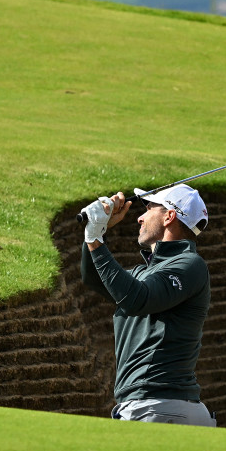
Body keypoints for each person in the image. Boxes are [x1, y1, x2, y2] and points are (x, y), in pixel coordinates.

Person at [80, 183, 216, 427]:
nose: (140, 218)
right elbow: (93, 277)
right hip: (155, 406)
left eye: (150, 207)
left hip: (158, 406)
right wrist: (97, 232)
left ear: (169, 216)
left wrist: (96, 238)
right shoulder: (144, 274)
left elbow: (137, 300)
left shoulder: (190, 265)